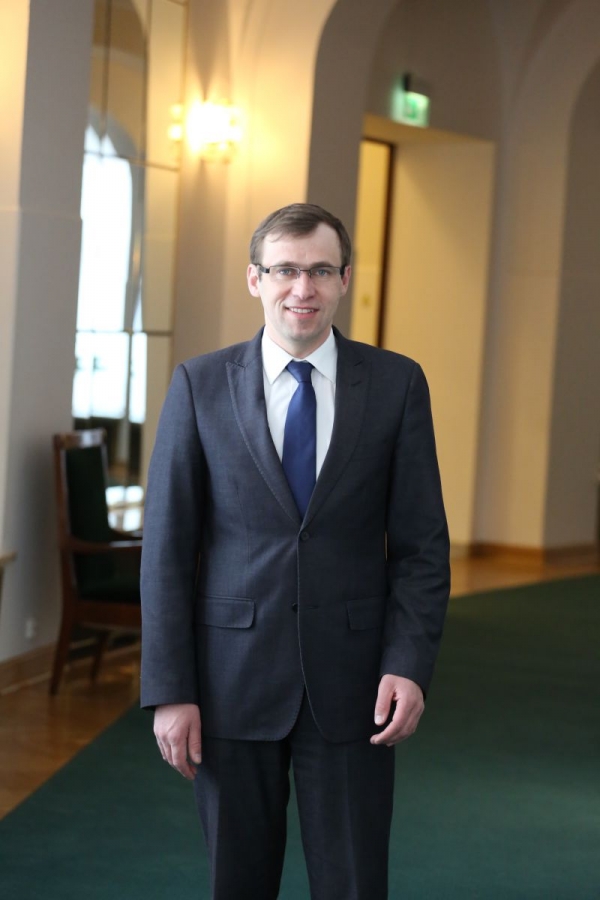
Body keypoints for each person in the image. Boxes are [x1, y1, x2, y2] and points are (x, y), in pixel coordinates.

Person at [140, 203, 450, 900]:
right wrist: (170, 689)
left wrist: (409, 664)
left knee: (354, 882)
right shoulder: (198, 385)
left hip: (355, 684)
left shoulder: (397, 384)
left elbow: (422, 548)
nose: (302, 288)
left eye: (319, 271)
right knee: (237, 881)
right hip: (230, 682)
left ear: (344, 279)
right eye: (284, 270)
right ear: (255, 279)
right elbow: (166, 551)